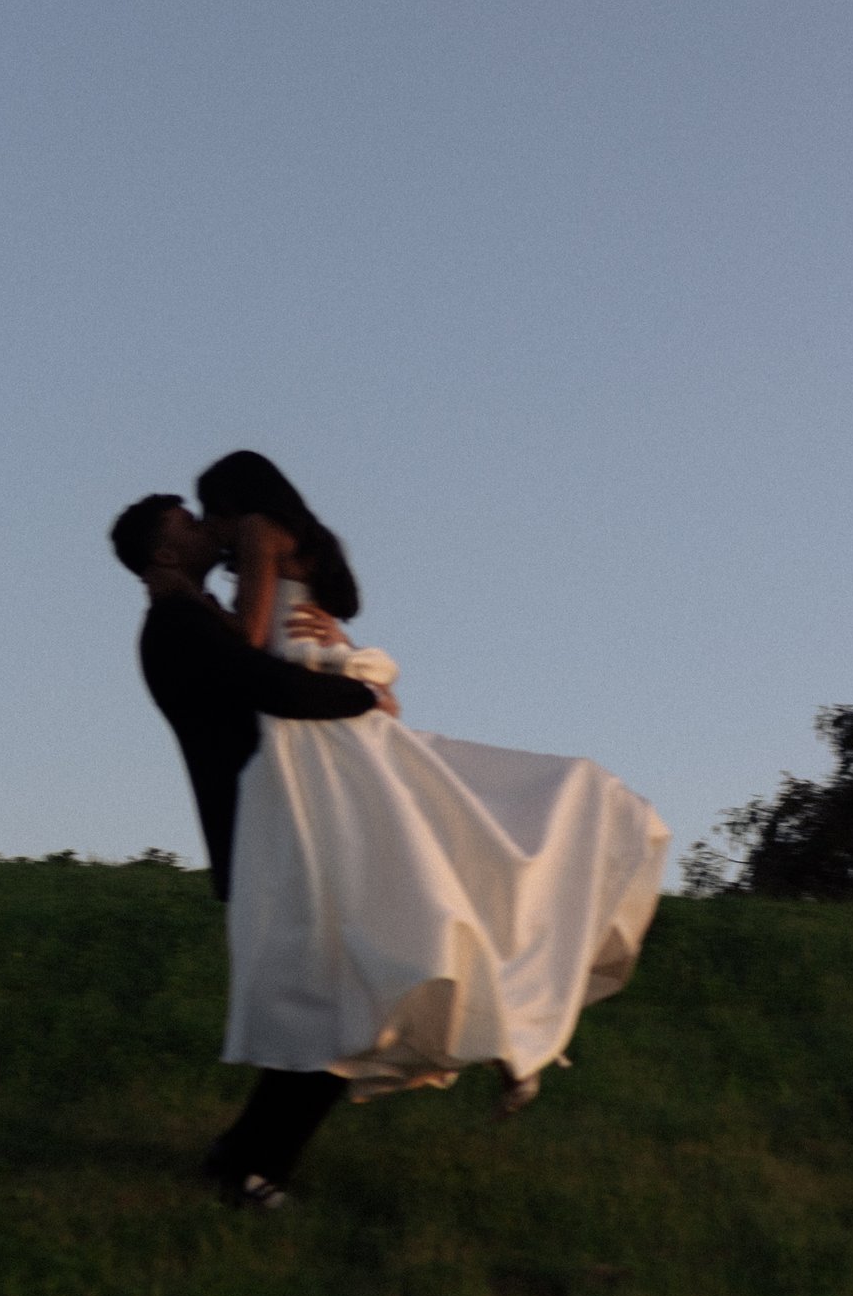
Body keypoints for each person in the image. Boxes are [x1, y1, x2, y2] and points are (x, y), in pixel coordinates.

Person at [193, 451, 668, 1114]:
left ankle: (484, 1028)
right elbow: (320, 608)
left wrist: (201, 606)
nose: (209, 527)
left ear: (230, 501)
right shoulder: (298, 537)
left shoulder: (255, 530)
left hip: (307, 726)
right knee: (430, 861)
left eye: (209, 511)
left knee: (384, 883)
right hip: (314, 698)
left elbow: (248, 638)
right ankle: (510, 1035)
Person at [109, 492, 390, 1209]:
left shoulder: (209, 618)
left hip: (283, 830)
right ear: (166, 552)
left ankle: (244, 1158)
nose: (208, 527)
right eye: (188, 521)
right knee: (328, 1003)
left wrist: (333, 641)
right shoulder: (174, 625)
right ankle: (248, 1165)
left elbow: (272, 659)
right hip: (265, 836)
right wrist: (359, 694)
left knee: (336, 998)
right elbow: (265, 685)